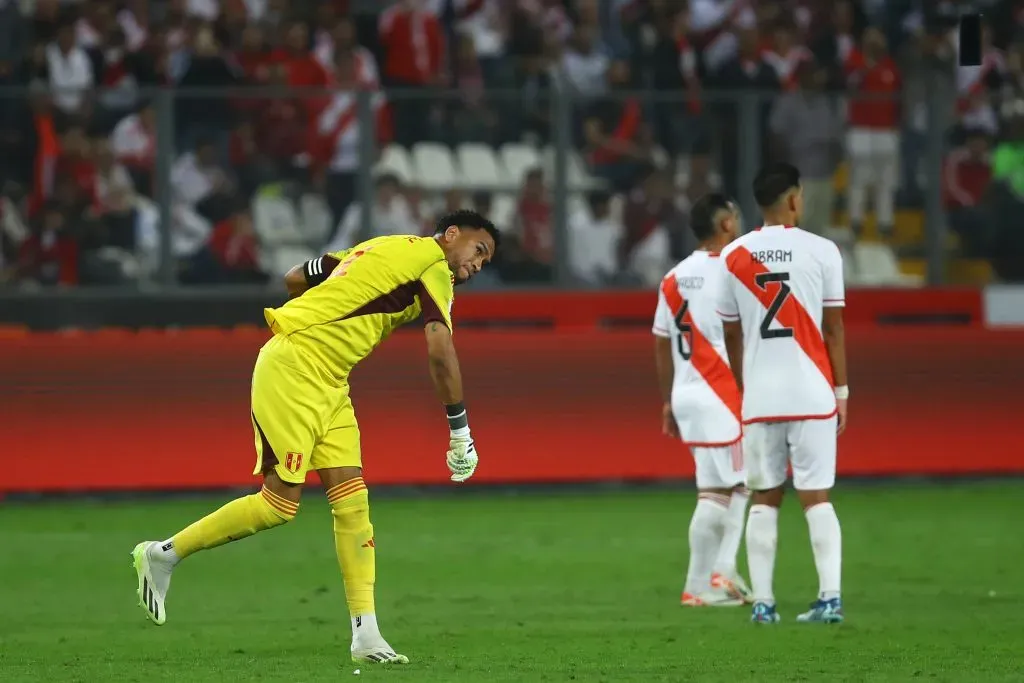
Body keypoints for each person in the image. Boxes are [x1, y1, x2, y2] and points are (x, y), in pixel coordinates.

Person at [131, 210, 500, 665]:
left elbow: (294, 277)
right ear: (450, 235)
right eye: (478, 250)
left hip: (330, 380)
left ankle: (366, 636)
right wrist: (459, 430)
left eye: (486, 261)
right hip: (297, 366)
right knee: (278, 504)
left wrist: (332, 306)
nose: (478, 265)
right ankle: (163, 555)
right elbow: (440, 351)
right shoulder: (433, 265)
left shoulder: (380, 246)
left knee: (352, 504)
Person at [716, 163, 848, 624]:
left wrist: (742, 386)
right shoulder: (823, 251)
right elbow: (833, 328)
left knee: (764, 498)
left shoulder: (733, 255)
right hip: (813, 392)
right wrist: (842, 391)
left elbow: (731, 335)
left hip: (761, 397)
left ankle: (764, 602)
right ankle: (829, 597)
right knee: (817, 498)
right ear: (794, 199)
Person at [652, 193, 752, 608]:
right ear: (726, 224)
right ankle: (724, 568)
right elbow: (739, 334)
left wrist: (667, 401)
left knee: (715, 490)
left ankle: (696, 587)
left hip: (686, 391)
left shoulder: (673, 278)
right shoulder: (732, 273)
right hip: (721, 391)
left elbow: (661, 342)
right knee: (748, 482)